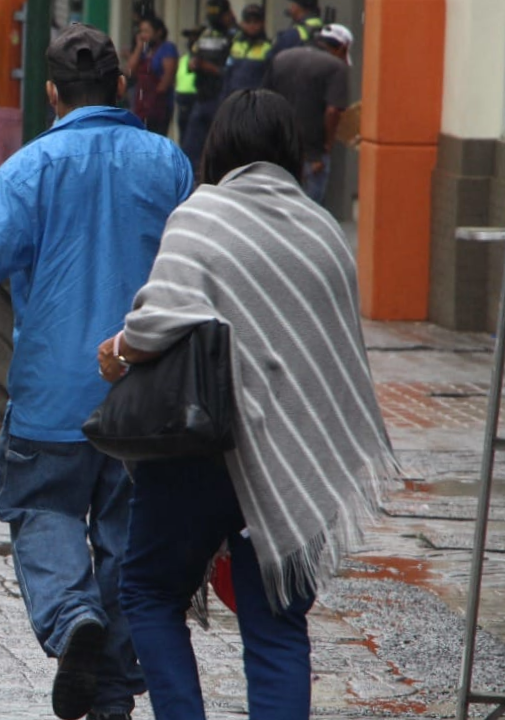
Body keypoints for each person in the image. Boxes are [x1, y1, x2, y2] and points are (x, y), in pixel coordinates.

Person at [99, 89, 396, 720]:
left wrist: (119, 347)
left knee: (150, 592)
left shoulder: (202, 215)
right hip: (289, 455)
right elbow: (334, 355)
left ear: (220, 148)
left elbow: (156, 328)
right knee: (278, 621)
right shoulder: (323, 230)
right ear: (289, 150)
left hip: (197, 455)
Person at [0, 24, 193, 720]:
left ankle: (69, 616)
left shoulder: (30, 167)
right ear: (121, 86)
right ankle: (111, 693)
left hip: (51, 395)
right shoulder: (168, 162)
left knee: (41, 508)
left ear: (51, 93)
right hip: (144, 396)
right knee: (123, 540)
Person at [264, 23, 351, 205]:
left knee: (278, 208)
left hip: (278, 151)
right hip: (312, 157)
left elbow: (263, 100)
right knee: (308, 211)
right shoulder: (336, 67)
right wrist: (326, 147)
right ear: (342, 48)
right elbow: (333, 110)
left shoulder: (281, 58)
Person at [180, 0, 235, 171]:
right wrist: (194, 64)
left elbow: (233, 71)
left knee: (219, 149)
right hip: (200, 97)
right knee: (190, 150)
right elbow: (193, 57)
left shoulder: (234, 37)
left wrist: (209, 68)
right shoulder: (205, 34)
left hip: (221, 98)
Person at [126, 16, 177, 135]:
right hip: (141, 104)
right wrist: (138, 47)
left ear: (158, 32)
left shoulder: (167, 48)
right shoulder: (145, 51)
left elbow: (168, 76)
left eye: (146, 31)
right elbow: (130, 71)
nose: (143, 35)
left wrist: (155, 98)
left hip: (159, 105)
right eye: (141, 31)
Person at [224, 4, 271, 97]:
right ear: (242, 23)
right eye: (248, 21)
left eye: (255, 22)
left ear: (262, 23)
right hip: (234, 97)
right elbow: (227, 75)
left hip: (256, 99)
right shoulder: (234, 45)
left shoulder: (268, 47)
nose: (252, 25)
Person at [174, 27, 200, 139]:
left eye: (194, 38)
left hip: (197, 100)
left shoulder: (203, 60)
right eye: (189, 38)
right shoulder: (184, 59)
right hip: (182, 101)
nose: (191, 41)